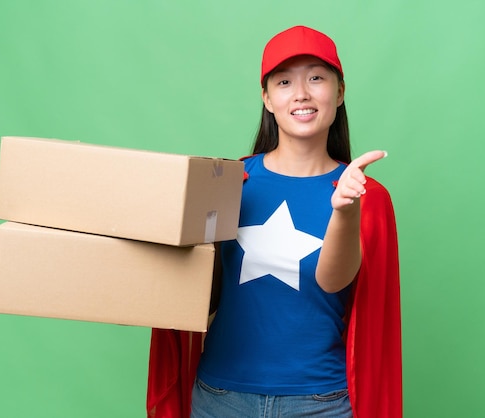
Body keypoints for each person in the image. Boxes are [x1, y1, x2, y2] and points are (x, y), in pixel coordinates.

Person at [147, 25, 402, 418]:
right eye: (284, 82)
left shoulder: (367, 196)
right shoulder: (226, 182)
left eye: (316, 77)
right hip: (221, 397)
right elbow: (196, 291)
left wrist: (345, 210)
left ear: (340, 91)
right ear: (267, 98)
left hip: (321, 402)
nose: (301, 93)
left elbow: (334, 282)